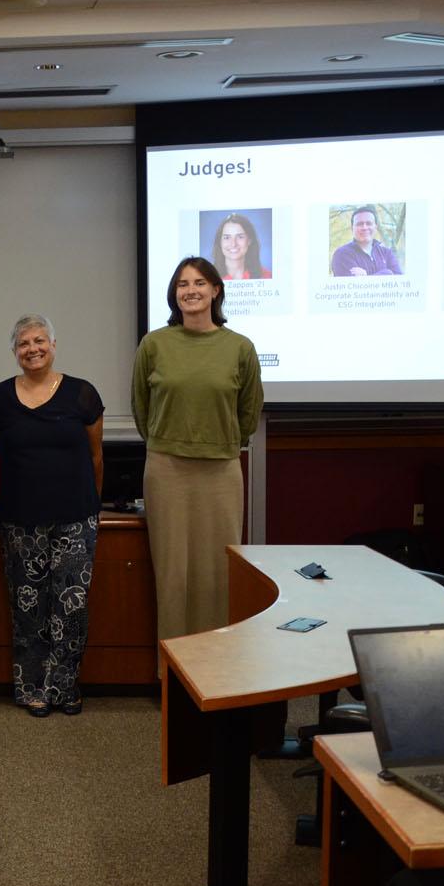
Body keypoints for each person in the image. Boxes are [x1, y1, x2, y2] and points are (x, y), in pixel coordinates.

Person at [131, 257, 263, 653]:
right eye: (182, 284)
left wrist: (217, 443)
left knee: (216, 574)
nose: (191, 290)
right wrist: (169, 439)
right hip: (167, 469)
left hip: (221, 470)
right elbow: (141, 407)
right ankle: (172, 671)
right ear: (174, 294)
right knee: (172, 575)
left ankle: (215, 666)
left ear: (216, 290)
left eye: (200, 283)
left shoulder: (239, 347)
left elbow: (249, 411)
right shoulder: (154, 344)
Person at [0, 315, 103, 717]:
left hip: (76, 517)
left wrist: (93, 505)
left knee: (70, 607)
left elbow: (96, 456)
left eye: (40, 341)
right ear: (15, 352)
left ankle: (66, 687)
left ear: (54, 344)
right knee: (29, 607)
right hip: (21, 521)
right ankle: (32, 688)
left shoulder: (82, 394)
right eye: (23, 343)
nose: (32, 349)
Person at [329, 205, 403, 276]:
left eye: (369, 223)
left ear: (375, 227)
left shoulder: (386, 253)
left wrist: (367, 276)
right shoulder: (342, 254)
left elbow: (399, 281)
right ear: (352, 228)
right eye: (359, 224)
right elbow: (352, 286)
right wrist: (387, 273)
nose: (364, 227)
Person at [210, 213, 269, 280]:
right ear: (220, 242)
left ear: (249, 240)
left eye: (240, 237)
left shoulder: (266, 276)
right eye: (227, 237)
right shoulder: (208, 276)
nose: (233, 244)